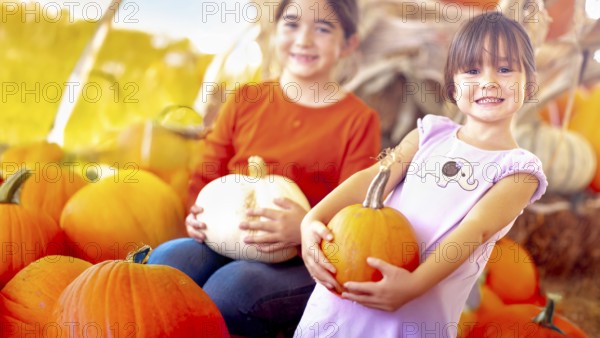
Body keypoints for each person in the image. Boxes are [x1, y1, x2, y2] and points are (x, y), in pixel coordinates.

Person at [296, 11, 548, 338]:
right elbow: (376, 175)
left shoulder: (518, 170)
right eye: (472, 70)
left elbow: (476, 229)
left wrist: (413, 286)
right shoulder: (430, 133)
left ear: (529, 83)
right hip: (350, 285)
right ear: (453, 86)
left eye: (504, 69)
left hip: (414, 310)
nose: (488, 81)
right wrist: (312, 219)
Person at [147, 0, 381, 336]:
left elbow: (357, 211)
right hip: (224, 239)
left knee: (232, 291)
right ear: (275, 31)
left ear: (348, 44)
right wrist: (197, 214)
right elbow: (208, 171)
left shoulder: (358, 120)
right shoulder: (246, 99)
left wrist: (304, 227)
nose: (304, 39)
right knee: (167, 263)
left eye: (323, 28)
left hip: (304, 260)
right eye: (292, 24)